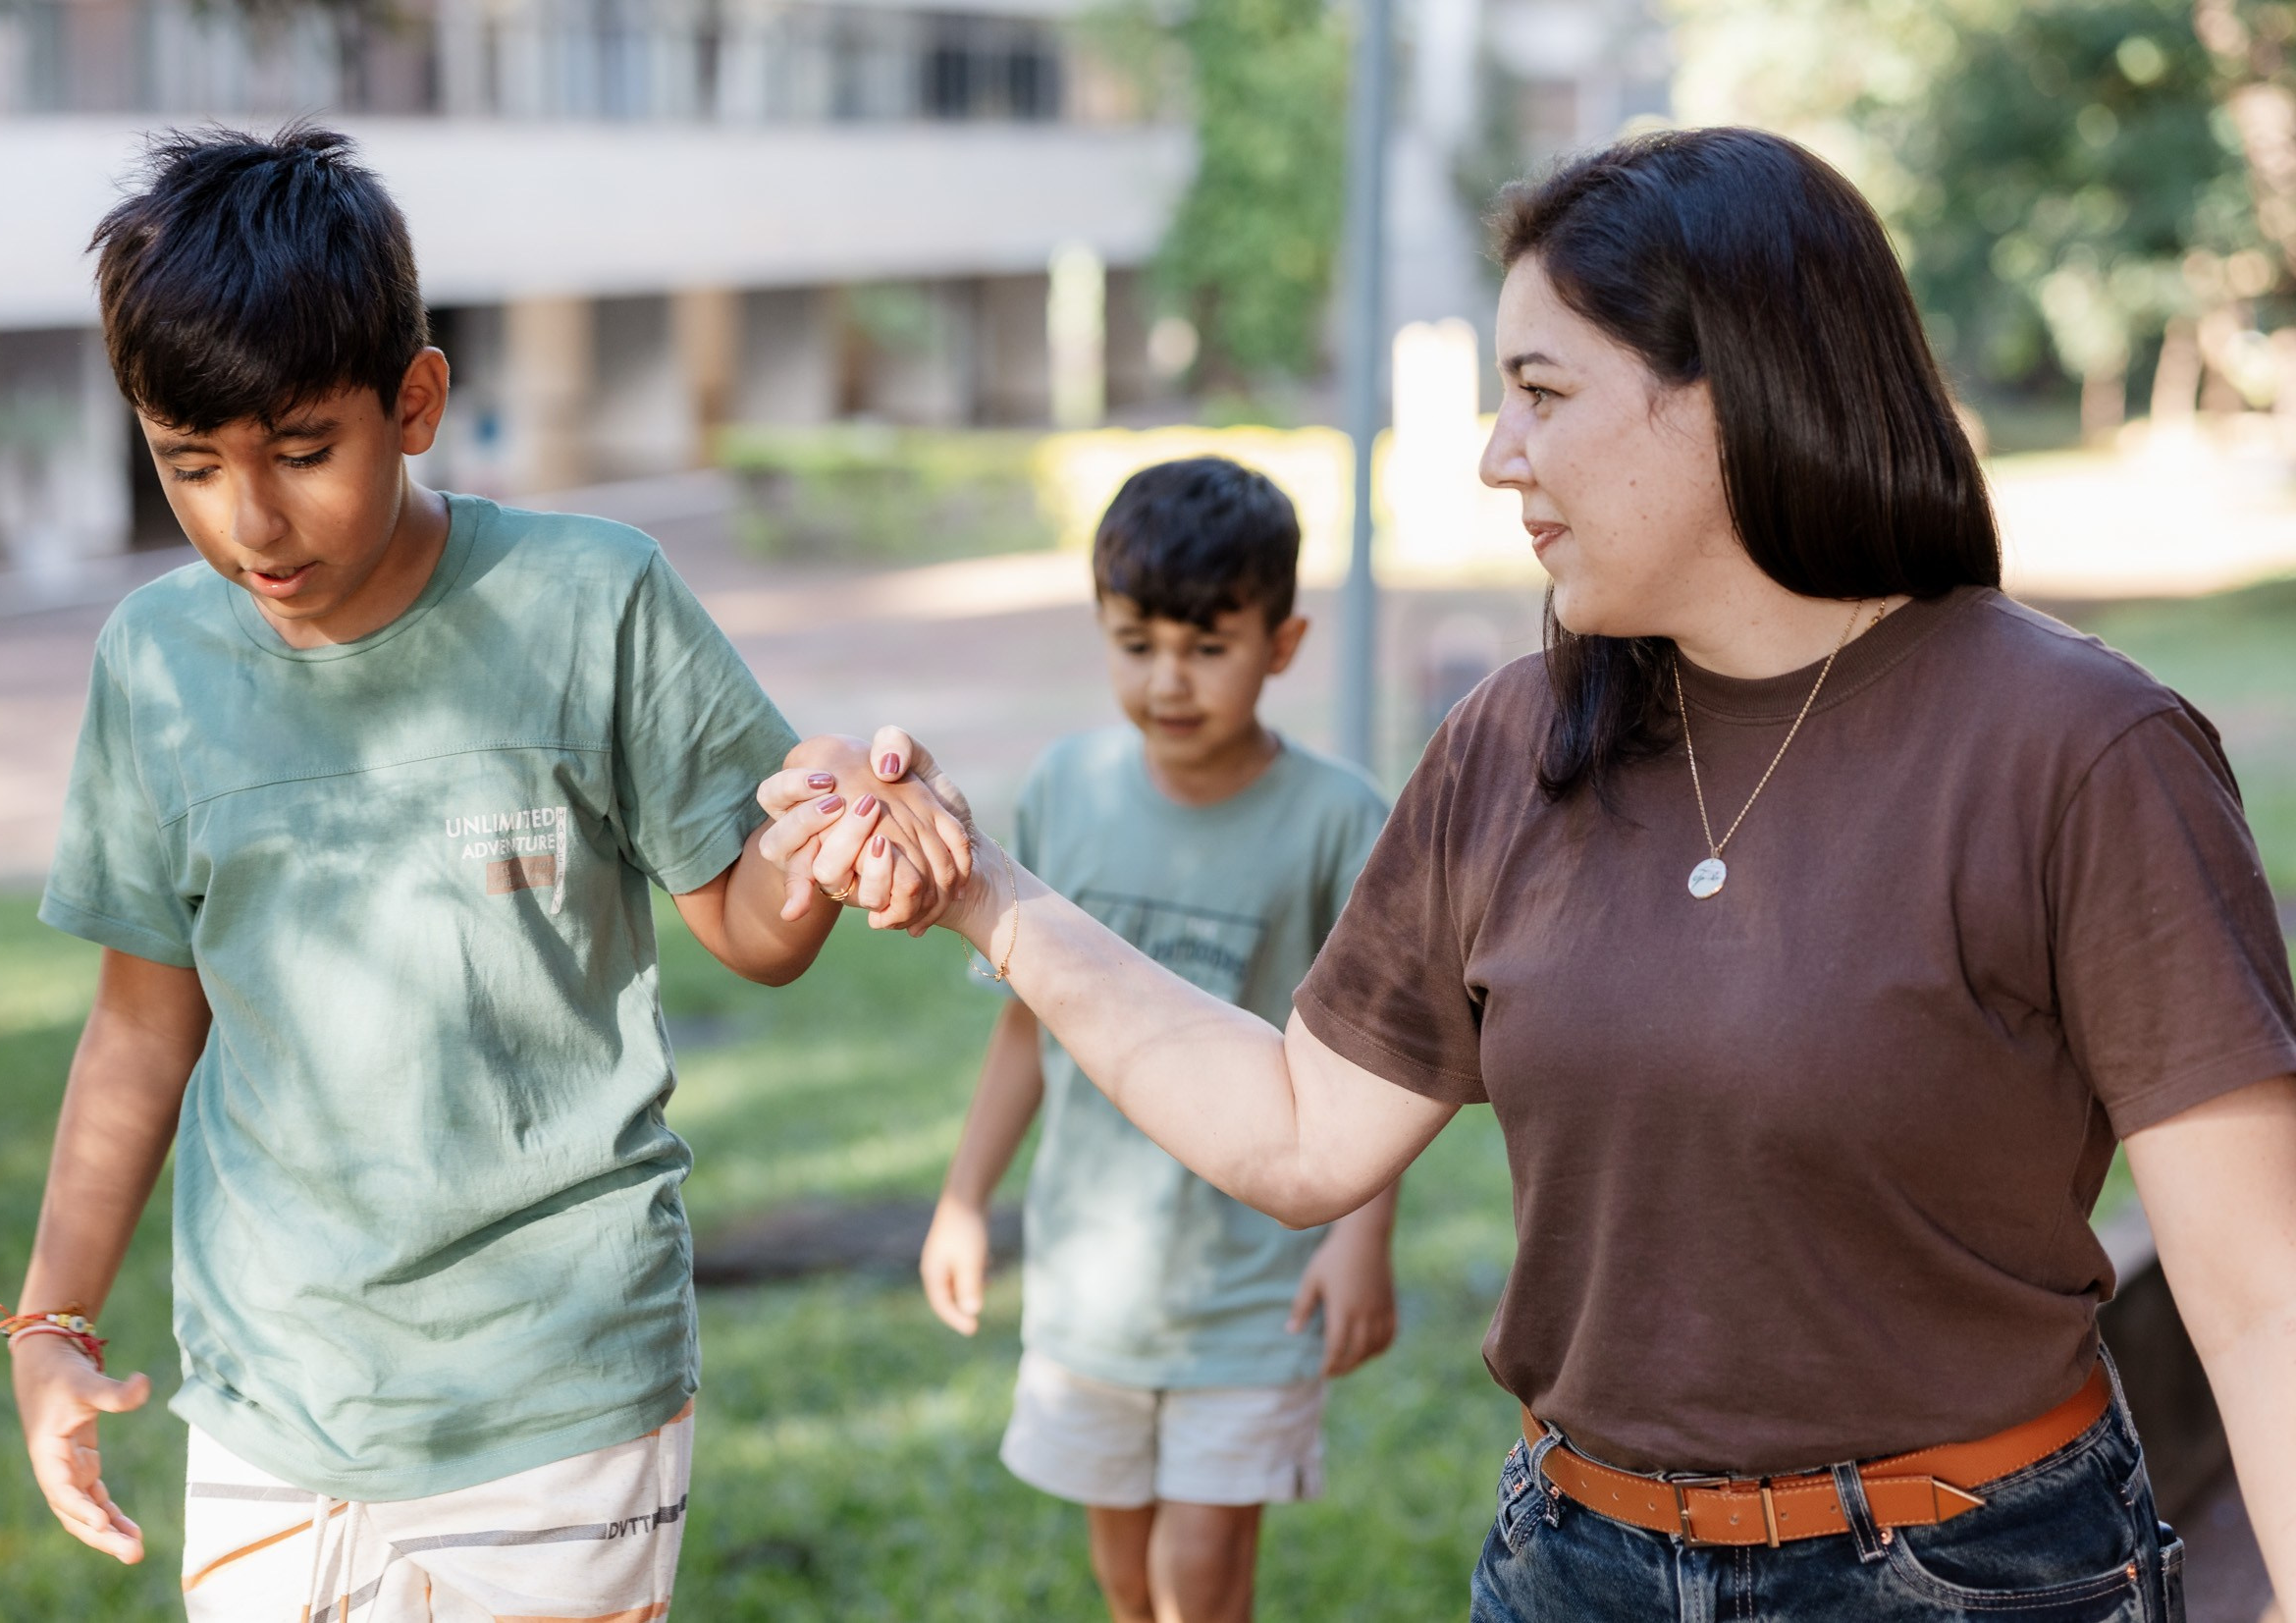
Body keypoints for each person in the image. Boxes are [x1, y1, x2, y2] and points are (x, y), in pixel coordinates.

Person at [795, 128, 2296, 1619]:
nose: (1497, 452)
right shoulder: (1512, 745)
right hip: (1574, 1565)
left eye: (1539, 392)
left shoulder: (2082, 751)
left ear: (1733, 390)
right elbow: (1301, 1130)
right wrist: (986, 886)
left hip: (1967, 1573)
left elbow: (2260, 1291)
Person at [0, 124, 963, 1622]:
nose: (250, 520)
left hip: (560, 1399)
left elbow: (753, 923)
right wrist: (51, 1320)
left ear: (418, 399)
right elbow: (139, 1026)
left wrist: (832, 836)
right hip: (266, 1404)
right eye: (190, 465)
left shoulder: (594, 600)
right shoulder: (156, 663)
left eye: (303, 454)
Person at [917, 458, 1399, 1623]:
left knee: (1200, 1584)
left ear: (1280, 645)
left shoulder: (1340, 821)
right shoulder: (1064, 791)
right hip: (1095, 1286)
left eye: (1207, 646)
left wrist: (1358, 1242)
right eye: (1137, 644)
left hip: (1251, 1292)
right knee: (1128, 1584)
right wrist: (965, 1199)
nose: (1168, 680)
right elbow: (1024, 1036)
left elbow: (1382, 1062)